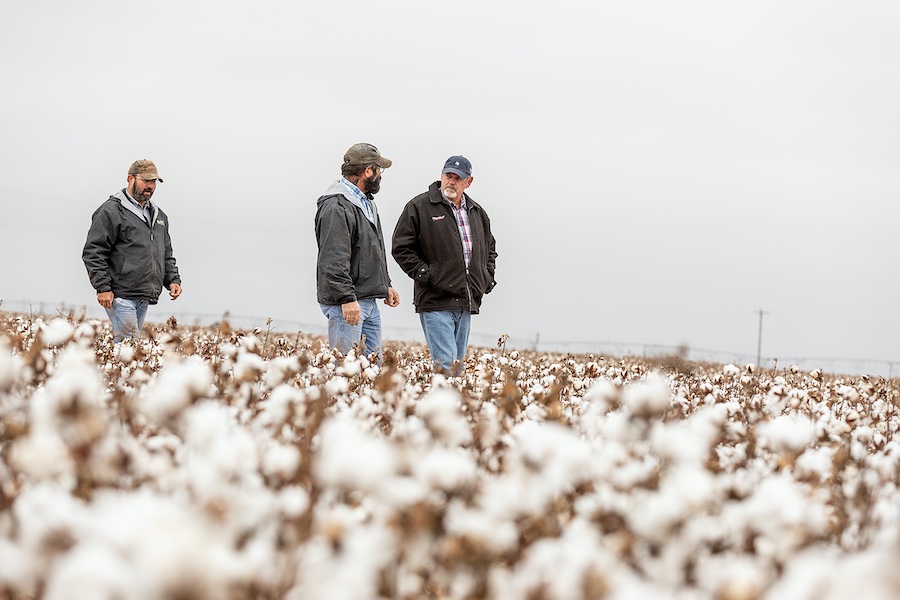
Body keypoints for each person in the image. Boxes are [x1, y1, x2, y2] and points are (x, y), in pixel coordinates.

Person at [392, 155, 497, 375]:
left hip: (466, 301)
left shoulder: (477, 212)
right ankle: (442, 406)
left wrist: (485, 279)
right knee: (446, 367)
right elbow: (401, 248)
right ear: (441, 176)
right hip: (435, 300)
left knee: (457, 368)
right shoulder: (419, 206)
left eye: (458, 178)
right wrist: (427, 275)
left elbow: (490, 250)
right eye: (448, 176)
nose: (452, 181)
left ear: (468, 182)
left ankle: (455, 407)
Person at [315, 143, 400, 361]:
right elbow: (333, 259)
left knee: (373, 369)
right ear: (368, 171)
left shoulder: (366, 203)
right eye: (379, 169)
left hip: (367, 300)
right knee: (346, 370)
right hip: (348, 304)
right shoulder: (336, 206)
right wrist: (346, 298)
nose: (381, 174)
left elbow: (370, 250)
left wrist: (385, 284)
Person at [82, 159, 182, 343]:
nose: (150, 186)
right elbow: (93, 251)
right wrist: (102, 287)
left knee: (128, 346)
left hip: (144, 294)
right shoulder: (111, 211)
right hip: (120, 294)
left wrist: (172, 279)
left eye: (153, 182)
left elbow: (165, 252)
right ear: (130, 179)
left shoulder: (159, 216)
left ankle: (116, 371)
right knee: (129, 343)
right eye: (146, 180)